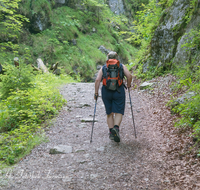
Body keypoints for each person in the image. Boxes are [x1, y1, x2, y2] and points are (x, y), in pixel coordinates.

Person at [94, 51, 132, 142]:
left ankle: (111, 132)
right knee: (118, 111)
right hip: (119, 91)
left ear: (108, 58)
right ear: (117, 58)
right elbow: (129, 76)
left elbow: (97, 80)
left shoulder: (104, 67)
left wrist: (96, 93)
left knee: (109, 113)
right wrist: (129, 85)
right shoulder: (121, 66)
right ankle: (116, 128)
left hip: (106, 92)